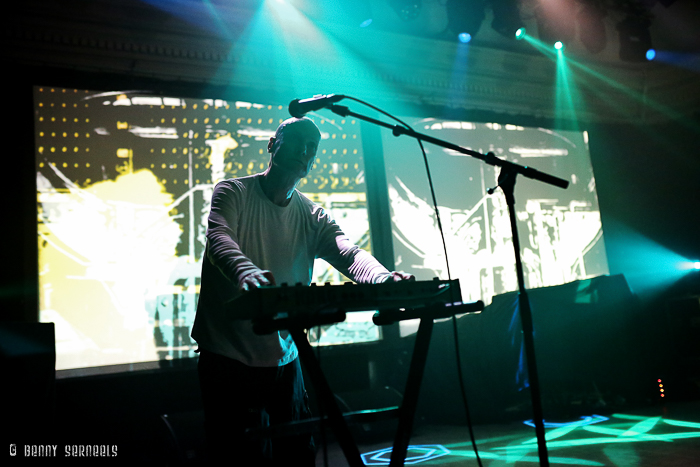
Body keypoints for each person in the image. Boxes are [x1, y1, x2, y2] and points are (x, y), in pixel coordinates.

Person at [192, 116, 413, 465]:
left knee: (298, 454)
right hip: (227, 358)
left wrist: (385, 280)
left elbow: (349, 254)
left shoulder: (313, 215)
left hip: (285, 359)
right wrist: (244, 269)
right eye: (296, 141)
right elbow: (219, 237)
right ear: (271, 145)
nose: (305, 150)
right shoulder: (232, 191)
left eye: (313, 147)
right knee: (240, 457)